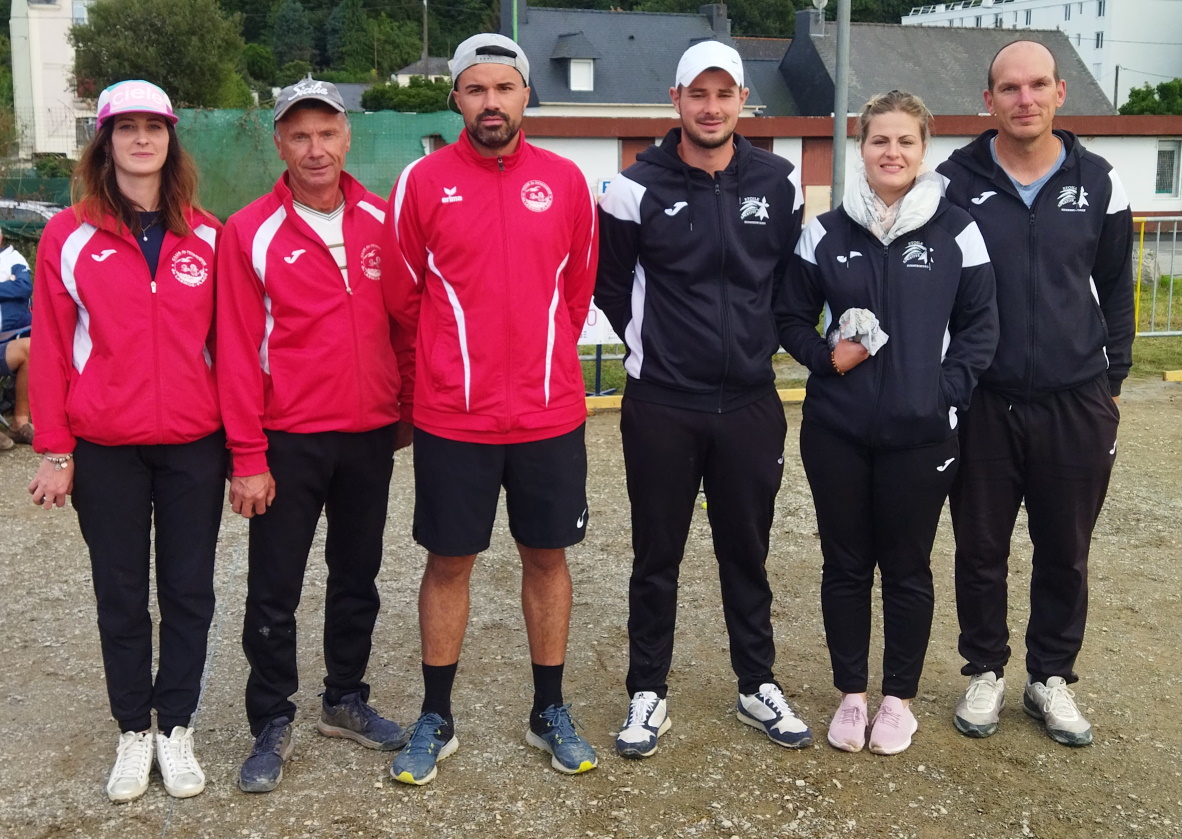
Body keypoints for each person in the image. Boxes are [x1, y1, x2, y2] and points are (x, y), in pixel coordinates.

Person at [384, 33, 598, 785]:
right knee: (449, 562)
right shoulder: (421, 182)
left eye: (504, 88)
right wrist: (452, 371)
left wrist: (539, 365)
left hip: (548, 415)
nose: (491, 103)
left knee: (547, 557)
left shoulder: (567, 182)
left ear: (526, 95)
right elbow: (404, 297)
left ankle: (549, 709)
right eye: (476, 89)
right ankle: (436, 715)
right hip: (455, 419)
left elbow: (575, 293)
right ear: (456, 98)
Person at [596, 40, 811, 759]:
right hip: (663, 402)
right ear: (676, 99)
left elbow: (785, 281)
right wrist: (655, 347)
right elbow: (611, 285)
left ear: (744, 99)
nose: (711, 108)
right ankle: (647, 690)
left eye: (724, 94)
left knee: (746, 551)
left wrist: (756, 346)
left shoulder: (780, 183)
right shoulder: (634, 188)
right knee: (657, 554)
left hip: (749, 402)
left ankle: (757, 683)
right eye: (698, 94)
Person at [776, 90, 998, 755]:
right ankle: (851, 693)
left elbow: (980, 327)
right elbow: (789, 316)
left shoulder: (957, 230)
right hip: (836, 432)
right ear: (861, 147)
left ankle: (898, 698)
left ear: (924, 149)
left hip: (921, 434)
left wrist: (940, 392)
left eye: (905, 141)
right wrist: (824, 358)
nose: (892, 152)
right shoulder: (826, 231)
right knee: (845, 565)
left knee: (906, 568)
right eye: (879, 140)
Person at [27, 80, 224, 802]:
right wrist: (56, 450)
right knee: (120, 592)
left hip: (194, 445)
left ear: (171, 139)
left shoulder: (209, 235)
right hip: (106, 446)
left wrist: (247, 450)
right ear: (104, 142)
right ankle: (133, 729)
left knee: (188, 590)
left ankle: (177, 726)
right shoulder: (67, 235)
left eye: (155, 126)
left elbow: (232, 351)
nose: (142, 139)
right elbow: (50, 347)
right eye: (126, 127)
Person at [216, 78, 412, 793]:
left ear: (347, 136)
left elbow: (406, 323)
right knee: (275, 587)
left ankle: (345, 698)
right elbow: (236, 350)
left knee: (357, 576)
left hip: (368, 435)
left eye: (327, 132)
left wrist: (405, 409)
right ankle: (271, 717)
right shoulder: (249, 231)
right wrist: (247, 454)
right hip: (288, 437)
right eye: (299, 135)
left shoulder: (385, 220)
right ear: (280, 143)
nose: (315, 148)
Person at [938, 40, 1133, 747]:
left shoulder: (1100, 181)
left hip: (1074, 397)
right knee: (979, 547)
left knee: (1065, 549)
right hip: (984, 400)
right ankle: (985, 669)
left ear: (1059, 93)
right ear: (988, 100)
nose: (1025, 99)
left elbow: (1115, 286)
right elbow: (936, 286)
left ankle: (1050, 675)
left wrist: (1112, 380)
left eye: (1037, 85)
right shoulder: (952, 182)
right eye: (1009, 88)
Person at [0, 229, 33, 446]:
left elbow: (23, 287)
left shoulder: (13, 258)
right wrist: (7, 286)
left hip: (7, 340)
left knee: (30, 347)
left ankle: (20, 424)